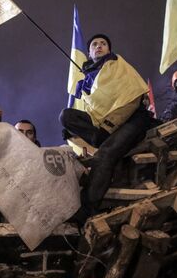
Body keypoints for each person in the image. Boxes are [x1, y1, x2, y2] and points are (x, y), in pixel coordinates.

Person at [59, 33, 151, 222]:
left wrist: (107, 127)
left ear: (109, 49)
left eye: (103, 44)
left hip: (131, 119)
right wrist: (77, 131)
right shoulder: (88, 79)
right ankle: (98, 138)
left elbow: (131, 99)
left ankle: (87, 209)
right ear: (90, 52)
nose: (99, 46)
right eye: (94, 44)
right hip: (105, 127)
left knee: (105, 154)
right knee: (66, 115)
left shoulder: (118, 65)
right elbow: (94, 111)